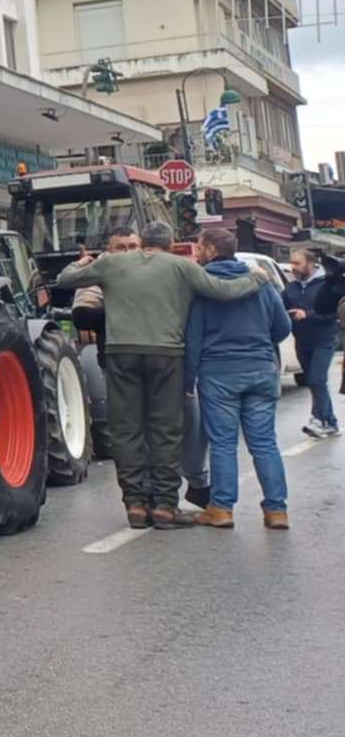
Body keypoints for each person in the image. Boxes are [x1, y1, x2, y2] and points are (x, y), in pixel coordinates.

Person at [57, 220, 267, 530]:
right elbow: (222, 290)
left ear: (142, 243)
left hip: (121, 353)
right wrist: (256, 280)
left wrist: (84, 260)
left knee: (126, 429)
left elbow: (65, 279)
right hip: (167, 355)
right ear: (169, 245)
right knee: (166, 428)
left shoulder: (112, 262)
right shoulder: (181, 266)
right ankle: (166, 506)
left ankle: (136, 506)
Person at [185, 227, 293, 530]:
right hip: (260, 369)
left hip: (218, 373)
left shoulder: (204, 287)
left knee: (222, 443)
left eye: (199, 247)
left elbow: (193, 337)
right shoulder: (260, 283)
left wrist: (187, 381)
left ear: (209, 250)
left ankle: (221, 508)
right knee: (264, 443)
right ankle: (276, 511)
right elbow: (283, 326)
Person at [283, 245, 344, 438]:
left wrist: (307, 315)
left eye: (297, 263)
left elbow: (334, 313)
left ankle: (318, 419)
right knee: (313, 382)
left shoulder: (327, 284)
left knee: (317, 379)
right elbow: (280, 307)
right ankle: (331, 422)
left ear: (311, 264)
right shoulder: (291, 287)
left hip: (324, 339)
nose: (293, 267)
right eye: (292, 263)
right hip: (301, 340)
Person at [63, 223, 139, 344]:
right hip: (114, 345)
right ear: (109, 249)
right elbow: (83, 313)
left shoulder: (154, 267)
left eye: (133, 246)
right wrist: (80, 264)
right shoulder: (101, 269)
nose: (127, 253)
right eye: (120, 247)